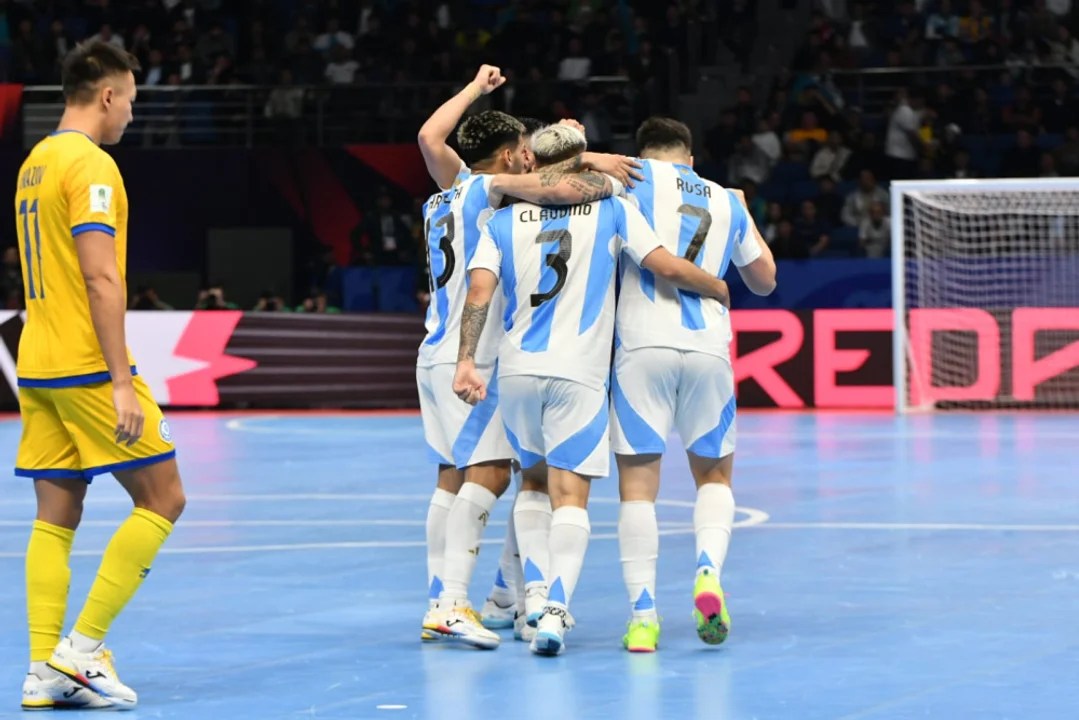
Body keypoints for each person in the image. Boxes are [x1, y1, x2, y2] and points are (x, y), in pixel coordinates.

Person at [453, 124, 731, 656]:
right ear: (583, 160)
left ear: (531, 161)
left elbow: (479, 293)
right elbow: (662, 265)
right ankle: (555, 613)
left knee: (532, 483)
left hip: (517, 370)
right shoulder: (612, 208)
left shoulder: (499, 220)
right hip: (579, 372)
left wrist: (467, 360)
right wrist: (716, 286)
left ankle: (532, 601)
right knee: (570, 497)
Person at [415, 66, 639, 649]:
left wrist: (475, 88)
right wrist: (590, 158)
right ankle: (451, 602)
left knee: (459, 477)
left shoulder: (445, 193)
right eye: (521, 151)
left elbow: (428, 136)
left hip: (433, 350)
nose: (526, 159)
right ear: (509, 156)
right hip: (474, 356)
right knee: (497, 475)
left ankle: (495, 596)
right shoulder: (491, 189)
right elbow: (560, 189)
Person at [16, 40, 186, 711]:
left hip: (36, 363)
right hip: (86, 364)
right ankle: (83, 650)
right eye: (132, 101)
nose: (131, 115)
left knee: (56, 514)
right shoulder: (91, 164)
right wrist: (121, 380)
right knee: (164, 497)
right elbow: (100, 276)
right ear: (108, 94)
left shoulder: (35, 162)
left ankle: (42, 670)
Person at [612, 117, 777, 653]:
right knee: (714, 477)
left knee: (639, 487)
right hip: (708, 346)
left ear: (642, 153)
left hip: (643, 345)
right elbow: (765, 280)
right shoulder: (726, 198)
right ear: (690, 157)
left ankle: (643, 618)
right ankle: (708, 571)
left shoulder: (628, 180)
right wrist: (743, 211)